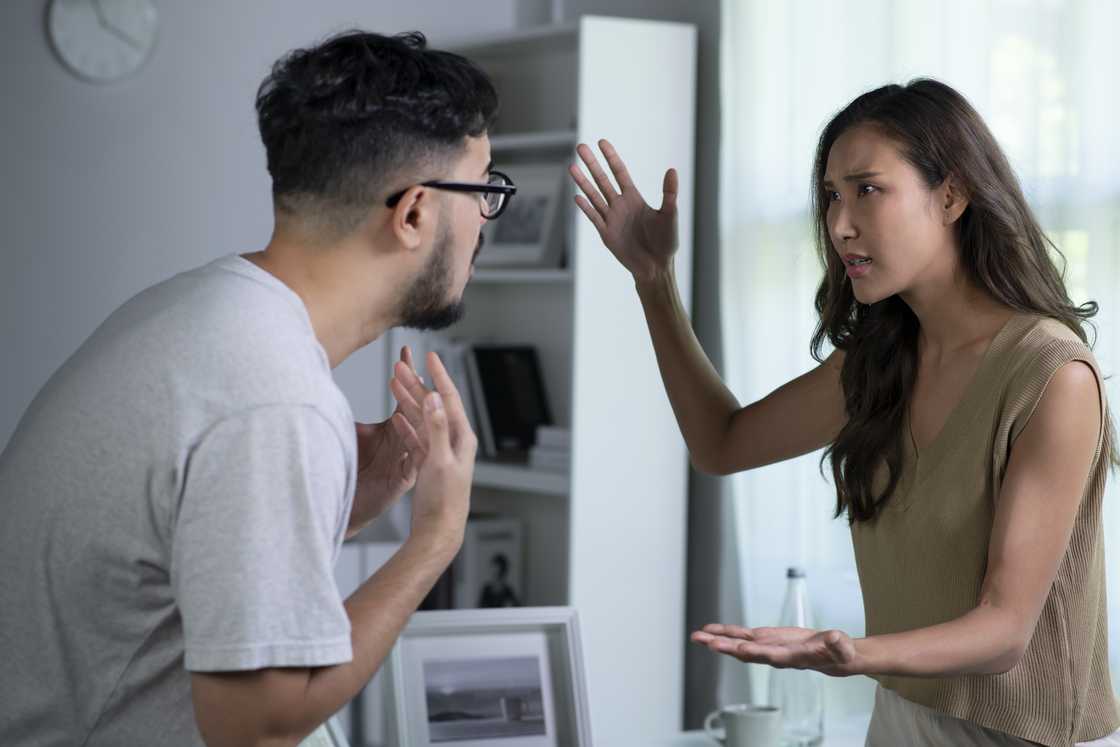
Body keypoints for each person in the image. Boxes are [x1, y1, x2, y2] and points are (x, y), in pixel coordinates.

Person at [0, 29, 517, 746]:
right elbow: (256, 729)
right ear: (414, 214)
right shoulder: (275, 400)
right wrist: (436, 538)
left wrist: (344, 506)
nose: (486, 220)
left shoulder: (202, 307)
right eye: (484, 190)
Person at [569, 78, 1120, 747]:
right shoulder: (879, 363)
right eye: (832, 195)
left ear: (952, 195)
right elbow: (721, 443)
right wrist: (653, 280)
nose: (839, 224)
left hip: (1026, 736)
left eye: (867, 189)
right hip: (900, 716)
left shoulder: (1051, 375)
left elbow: (1004, 631)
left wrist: (854, 653)